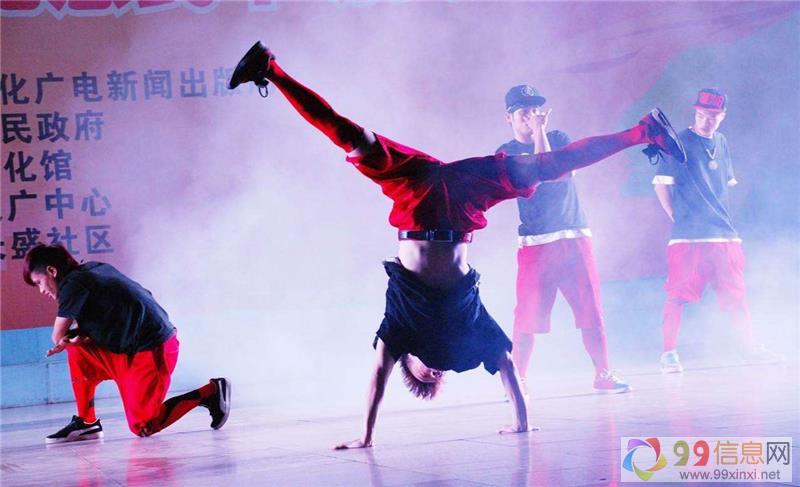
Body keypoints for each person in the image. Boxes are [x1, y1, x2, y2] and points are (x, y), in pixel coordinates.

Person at [228, 41, 685, 448]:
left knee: (347, 134)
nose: (434, 369)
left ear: (410, 363)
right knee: (546, 167)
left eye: (424, 374)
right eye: (438, 376)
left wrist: (366, 436)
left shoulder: (399, 330)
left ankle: (270, 68)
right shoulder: (466, 331)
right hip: (464, 203)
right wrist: (522, 424)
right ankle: (645, 131)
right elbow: (506, 365)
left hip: (414, 194)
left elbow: (376, 378)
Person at [23, 244, 231, 443]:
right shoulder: (93, 269)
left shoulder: (73, 285)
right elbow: (116, 312)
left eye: (39, 282)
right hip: (129, 348)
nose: (41, 290)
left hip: (153, 350)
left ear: (52, 271)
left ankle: (211, 392)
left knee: (143, 426)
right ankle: (87, 422)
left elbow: (57, 335)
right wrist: (80, 335)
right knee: (77, 350)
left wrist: (67, 337)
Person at [497, 85, 630, 395]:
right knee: (527, 316)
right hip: (535, 244)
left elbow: (558, 171)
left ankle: (603, 373)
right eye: (524, 112)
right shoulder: (506, 152)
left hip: (573, 237)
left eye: (535, 110)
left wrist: (541, 133)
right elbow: (541, 173)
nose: (531, 117)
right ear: (509, 117)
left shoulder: (558, 139)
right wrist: (537, 135)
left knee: (590, 309)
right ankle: (517, 381)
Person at [652, 88, 779, 373]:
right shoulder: (678, 142)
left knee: (737, 295)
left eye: (712, 116)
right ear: (695, 112)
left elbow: (723, 186)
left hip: (723, 234)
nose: (706, 121)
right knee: (678, 294)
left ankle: (748, 348)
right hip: (688, 236)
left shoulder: (721, 142)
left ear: (722, 116)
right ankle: (668, 353)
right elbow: (661, 184)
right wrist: (676, 216)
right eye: (701, 115)